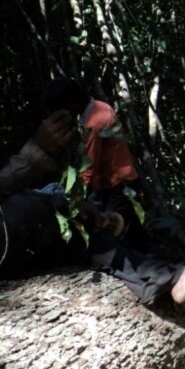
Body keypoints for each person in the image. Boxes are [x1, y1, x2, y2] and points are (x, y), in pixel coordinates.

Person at [0, 109, 185, 319]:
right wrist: (34, 154)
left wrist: (72, 204)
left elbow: (4, 189)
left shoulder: (98, 115)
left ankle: (174, 279)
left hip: (115, 184)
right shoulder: (96, 118)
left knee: (80, 226)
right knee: (27, 212)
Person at [43, 79, 147, 248]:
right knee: (131, 233)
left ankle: (152, 268)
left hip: (116, 186)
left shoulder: (94, 124)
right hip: (119, 182)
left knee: (124, 235)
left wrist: (74, 196)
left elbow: (89, 167)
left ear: (73, 104)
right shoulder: (101, 107)